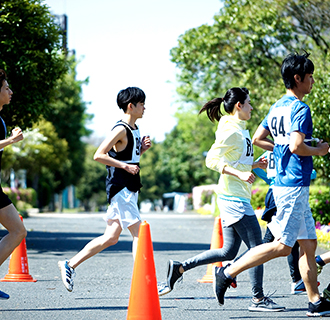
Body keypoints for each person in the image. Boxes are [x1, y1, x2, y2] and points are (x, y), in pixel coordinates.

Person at [212, 52, 330, 317]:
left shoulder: (277, 107)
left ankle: (315, 301)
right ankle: (227, 271)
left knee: (309, 244)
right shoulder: (300, 108)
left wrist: (283, 148)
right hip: (292, 185)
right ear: (297, 78)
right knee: (282, 246)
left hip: (286, 184)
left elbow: (258, 138)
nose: (312, 81)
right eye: (309, 77)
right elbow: (298, 145)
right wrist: (320, 150)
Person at [163, 87, 284, 312]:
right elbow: (211, 159)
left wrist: (254, 165)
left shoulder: (240, 129)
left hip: (235, 196)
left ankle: (179, 268)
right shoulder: (230, 130)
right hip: (233, 198)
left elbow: (235, 159)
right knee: (258, 247)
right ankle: (257, 299)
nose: (251, 107)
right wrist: (239, 174)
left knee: (228, 252)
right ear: (238, 105)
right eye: (248, 103)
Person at [58, 87, 151, 292]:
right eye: (142, 103)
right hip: (121, 188)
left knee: (111, 237)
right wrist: (125, 166)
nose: (145, 107)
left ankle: (70, 264)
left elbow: (127, 157)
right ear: (131, 106)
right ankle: (143, 282)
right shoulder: (120, 129)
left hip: (130, 187)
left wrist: (141, 150)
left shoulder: (135, 129)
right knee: (138, 233)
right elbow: (99, 155)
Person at [254, 151, 318, 294]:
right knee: (272, 240)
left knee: (289, 240)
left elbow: (256, 166)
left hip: (274, 192)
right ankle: (231, 269)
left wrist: (269, 179)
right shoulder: (291, 148)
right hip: (285, 193)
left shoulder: (270, 150)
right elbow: (309, 174)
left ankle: (297, 281)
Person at [0, 69, 27, 299]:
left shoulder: (0, 119)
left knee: (18, 231)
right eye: (6, 88)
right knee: (18, 230)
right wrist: (11, 140)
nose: (10, 91)